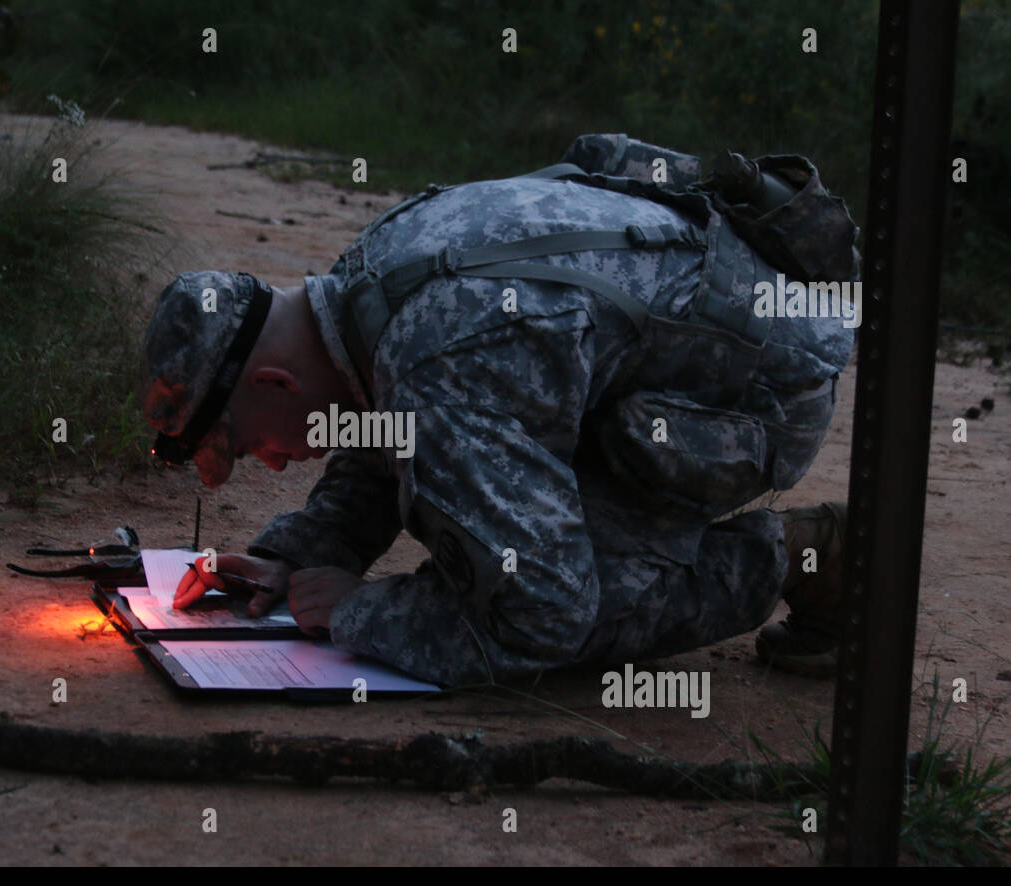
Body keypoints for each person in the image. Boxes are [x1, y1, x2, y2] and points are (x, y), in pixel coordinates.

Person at [139, 134, 857, 687]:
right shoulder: (372, 266)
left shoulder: (435, 355)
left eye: (243, 443)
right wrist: (305, 553)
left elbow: (543, 614)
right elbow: (388, 417)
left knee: (546, 602)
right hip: (702, 336)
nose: (268, 460)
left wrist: (361, 611)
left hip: (756, 391)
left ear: (273, 382)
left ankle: (805, 553)